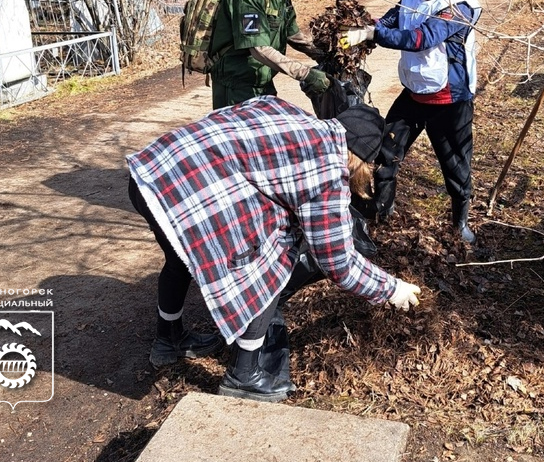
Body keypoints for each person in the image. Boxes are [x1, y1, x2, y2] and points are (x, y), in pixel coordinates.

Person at [126, 95, 422, 402]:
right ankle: (244, 376)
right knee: (270, 263)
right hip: (188, 189)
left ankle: (169, 339)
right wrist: (391, 289)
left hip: (153, 172)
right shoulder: (327, 170)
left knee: (178, 257)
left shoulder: (286, 111)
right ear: (358, 159)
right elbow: (338, 263)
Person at [338, 0, 483, 243]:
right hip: (414, 94)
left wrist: (372, 33)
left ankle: (461, 223)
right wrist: (363, 27)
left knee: (455, 165)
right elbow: (391, 20)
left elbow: (421, 38)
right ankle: (382, 215)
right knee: (385, 153)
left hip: (449, 99)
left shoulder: (459, 5)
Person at [208, 0, 331, 108]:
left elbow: (292, 34)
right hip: (237, 88)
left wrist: (324, 55)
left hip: (261, 82)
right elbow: (258, 48)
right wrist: (304, 73)